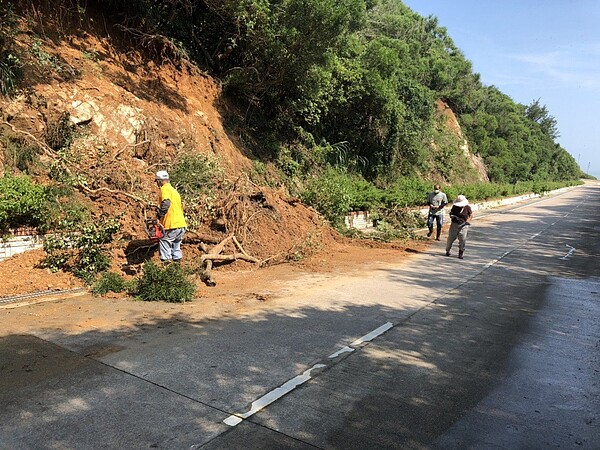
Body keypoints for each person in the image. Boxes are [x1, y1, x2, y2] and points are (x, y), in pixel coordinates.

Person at [154, 170, 187, 264]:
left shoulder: (164, 189)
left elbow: (166, 203)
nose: (157, 184)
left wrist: (159, 216)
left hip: (171, 224)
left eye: (157, 181)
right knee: (176, 248)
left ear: (160, 181)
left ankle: (167, 273)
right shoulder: (174, 191)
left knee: (164, 243)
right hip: (181, 224)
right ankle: (177, 272)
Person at [445, 194, 472, 259]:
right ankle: (447, 250)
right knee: (450, 238)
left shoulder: (467, 207)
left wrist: (467, 221)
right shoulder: (455, 207)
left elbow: (470, 215)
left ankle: (461, 253)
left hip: (463, 225)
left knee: (462, 239)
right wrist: (452, 216)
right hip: (454, 224)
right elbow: (451, 213)